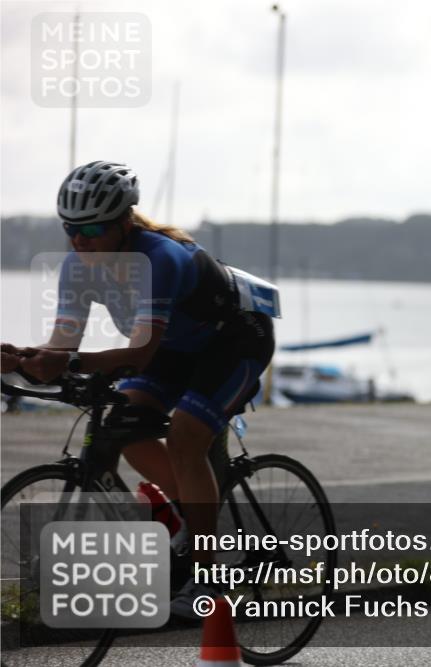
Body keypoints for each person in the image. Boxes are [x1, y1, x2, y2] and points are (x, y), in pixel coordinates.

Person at [4, 161, 278, 618]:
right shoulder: (77, 268)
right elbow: (63, 347)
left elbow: (141, 352)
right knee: (121, 430)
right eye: (70, 227)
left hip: (235, 340)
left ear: (125, 222)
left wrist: (63, 362)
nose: (79, 239)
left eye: (92, 227)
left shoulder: (158, 260)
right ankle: (187, 516)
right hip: (175, 348)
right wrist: (23, 358)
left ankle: (208, 586)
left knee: (187, 437)